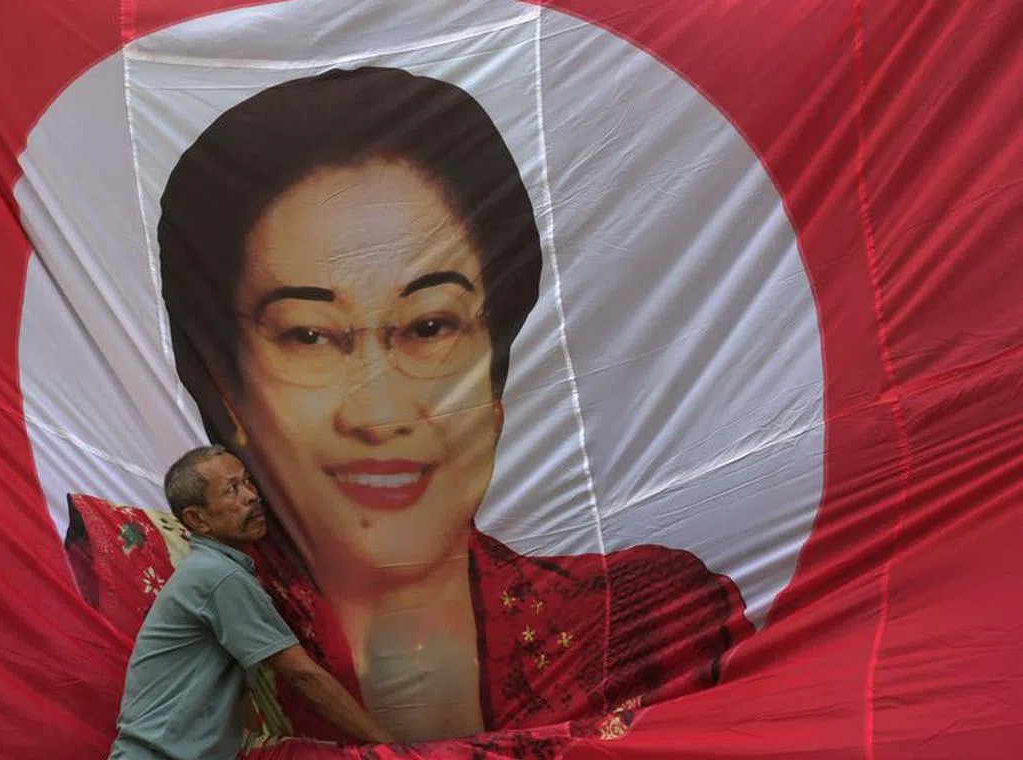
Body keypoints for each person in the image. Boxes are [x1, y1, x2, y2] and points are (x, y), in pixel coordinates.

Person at [71, 66, 753, 746]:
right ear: (229, 393)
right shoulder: (156, 572)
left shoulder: (645, 620)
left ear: (495, 372)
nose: (380, 413)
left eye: (430, 326)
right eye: (309, 336)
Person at [108, 446, 392, 760]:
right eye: (232, 489)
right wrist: (390, 747)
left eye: (247, 482)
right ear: (197, 519)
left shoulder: (218, 568)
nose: (251, 496)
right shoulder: (218, 575)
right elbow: (303, 676)